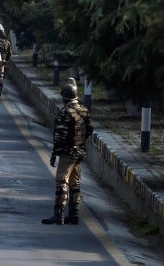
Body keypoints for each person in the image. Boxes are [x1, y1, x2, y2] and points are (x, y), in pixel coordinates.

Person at [42, 78, 92, 226]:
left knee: (61, 181)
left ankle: (59, 214)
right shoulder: (84, 110)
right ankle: (74, 214)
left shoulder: (65, 113)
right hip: (79, 151)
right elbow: (90, 129)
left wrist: (54, 154)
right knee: (74, 183)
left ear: (64, 97)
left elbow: (60, 136)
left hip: (67, 152)